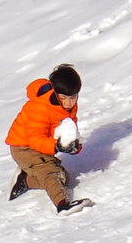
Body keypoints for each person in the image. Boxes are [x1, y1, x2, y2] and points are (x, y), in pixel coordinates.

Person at [5, 64, 90, 214]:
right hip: (23, 148)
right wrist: (57, 146)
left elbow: (70, 132)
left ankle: (25, 180)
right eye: (64, 98)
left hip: (42, 146)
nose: (69, 103)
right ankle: (62, 205)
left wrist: (75, 147)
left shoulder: (70, 107)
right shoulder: (40, 107)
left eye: (73, 98)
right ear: (56, 94)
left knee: (64, 178)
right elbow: (34, 139)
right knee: (51, 174)